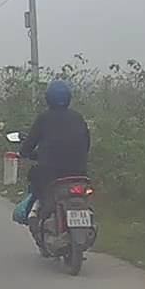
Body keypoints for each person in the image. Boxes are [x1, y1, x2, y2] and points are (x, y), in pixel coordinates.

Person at [12, 79, 90, 224]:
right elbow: (86, 145)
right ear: (69, 98)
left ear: (48, 98)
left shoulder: (44, 118)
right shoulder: (78, 118)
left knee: (36, 186)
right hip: (79, 174)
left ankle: (33, 215)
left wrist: (24, 153)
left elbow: (28, 146)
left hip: (51, 174)